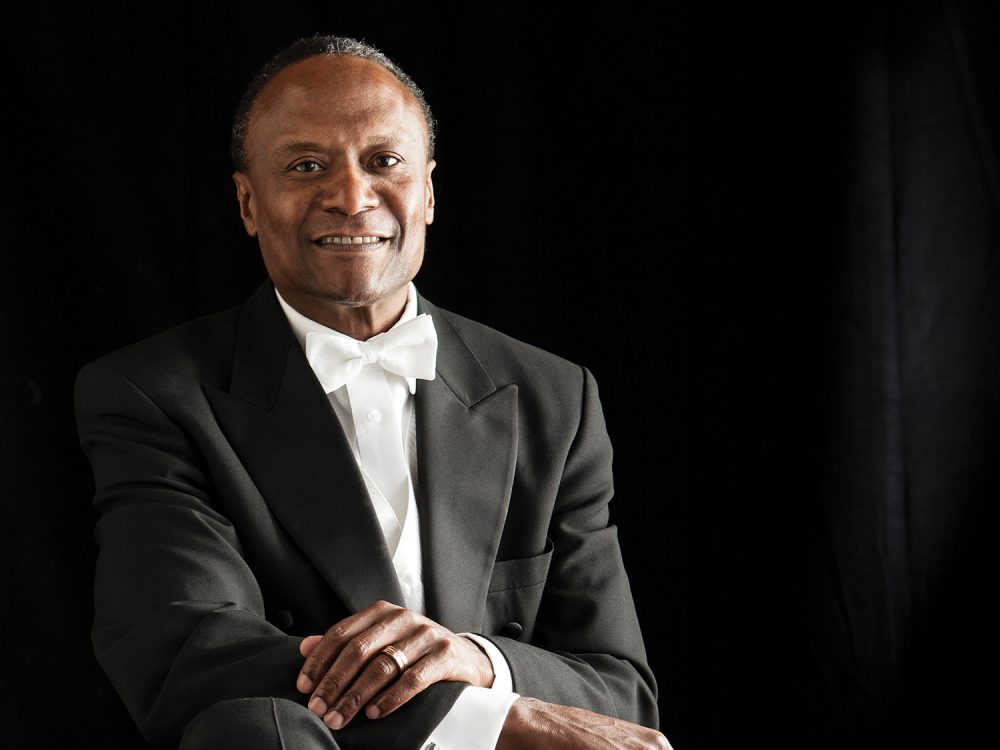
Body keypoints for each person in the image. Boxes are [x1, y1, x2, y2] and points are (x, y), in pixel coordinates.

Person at [74, 34, 672, 750]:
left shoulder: (553, 395)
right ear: (247, 203)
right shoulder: (151, 393)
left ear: (428, 193)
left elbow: (620, 697)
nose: (352, 198)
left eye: (383, 162)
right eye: (305, 165)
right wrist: (490, 715)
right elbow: (188, 656)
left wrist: (480, 660)